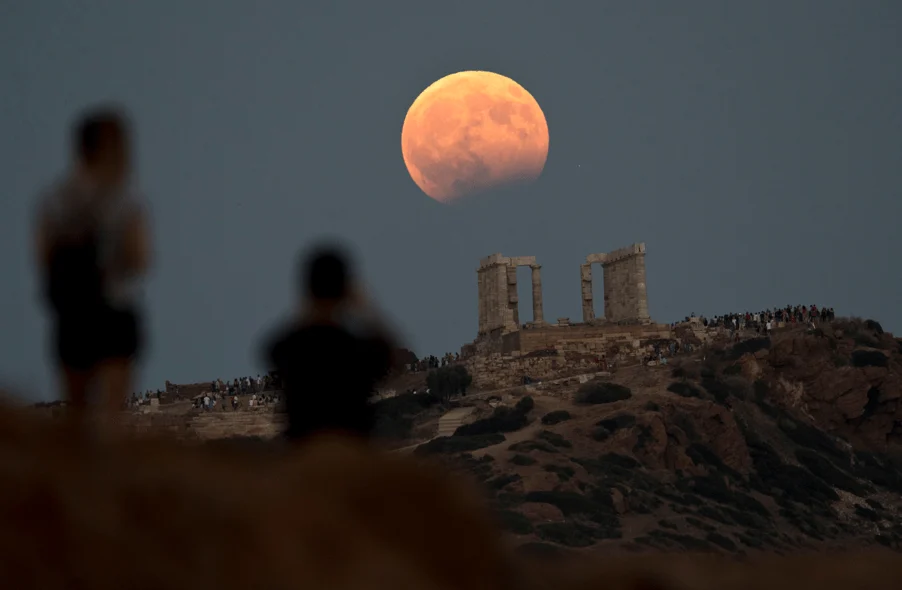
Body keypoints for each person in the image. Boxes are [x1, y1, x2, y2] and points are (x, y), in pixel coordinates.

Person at [34, 106, 150, 430]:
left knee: (76, 412)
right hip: (114, 308)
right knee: (113, 414)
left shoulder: (55, 199)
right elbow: (140, 258)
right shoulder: (125, 200)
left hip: (70, 311)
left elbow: (42, 256)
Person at [263, 246, 396, 443]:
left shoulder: (288, 348)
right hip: (351, 453)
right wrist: (367, 308)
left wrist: (310, 305)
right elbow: (391, 354)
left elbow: (272, 347)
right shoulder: (360, 349)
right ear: (345, 290)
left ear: (308, 290)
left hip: (303, 455)